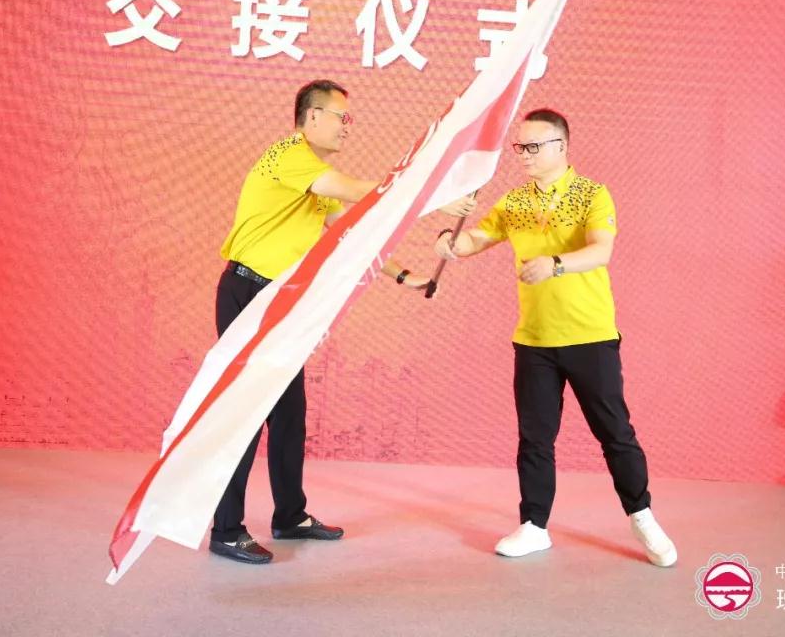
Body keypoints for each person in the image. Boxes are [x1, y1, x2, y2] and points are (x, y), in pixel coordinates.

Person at [210, 79, 475, 564]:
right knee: (244, 414)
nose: (347, 127)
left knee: (289, 415)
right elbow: (359, 192)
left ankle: (290, 516)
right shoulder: (288, 157)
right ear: (311, 116)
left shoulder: (313, 179)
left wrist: (404, 276)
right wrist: (434, 197)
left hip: (280, 302)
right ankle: (226, 530)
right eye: (341, 117)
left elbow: (351, 233)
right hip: (248, 294)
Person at [434, 108, 677, 566]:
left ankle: (642, 516)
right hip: (534, 341)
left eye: (534, 146)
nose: (524, 154)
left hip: (590, 336)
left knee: (615, 433)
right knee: (535, 438)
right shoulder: (514, 202)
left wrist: (556, 264)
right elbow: (476, 240)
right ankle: (534, 525)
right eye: (520, 146)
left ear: (561, 147)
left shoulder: (591, 194)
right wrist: (450, 240)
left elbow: (601, 249)